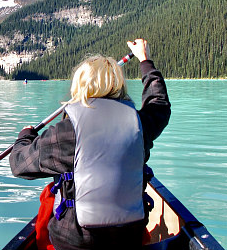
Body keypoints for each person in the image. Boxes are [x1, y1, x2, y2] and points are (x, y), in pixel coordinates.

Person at [9, 39, 171, 250]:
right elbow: (159, 104)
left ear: (80, 84)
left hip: (75, 241)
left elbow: (20, 165)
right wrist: (145, 60)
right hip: (129, 237)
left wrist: (25, 136)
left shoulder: (67, 131)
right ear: (118, 84)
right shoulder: (139, 123)